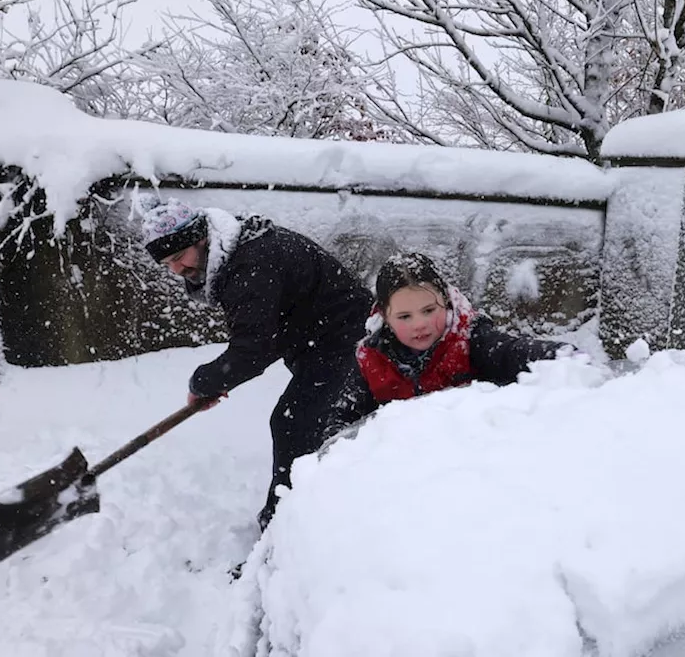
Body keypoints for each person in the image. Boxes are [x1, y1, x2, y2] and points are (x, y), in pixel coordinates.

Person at [139, 196, 373, 531]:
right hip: (320, 341)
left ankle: (284, 527)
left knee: (296, 425)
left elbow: (252, 350)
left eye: (179, 257)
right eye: (167, 264)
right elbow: (265, 334)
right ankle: (321, 512)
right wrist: (220, 379)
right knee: (321, 427)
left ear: (201, 238)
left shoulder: (250, 265)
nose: (176, 269)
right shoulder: (238, 250)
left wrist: (203, 382)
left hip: (348, 341)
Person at [327, 252, 573, 438]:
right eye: (405, 317)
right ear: (385, 316)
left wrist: (561, 357)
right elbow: (341, 420)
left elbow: (511, 352)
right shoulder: (370, 362)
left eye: (429, 310)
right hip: (403, 464)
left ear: (445, 301)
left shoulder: (469, 338)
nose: (420, 324)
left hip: (468, 452)